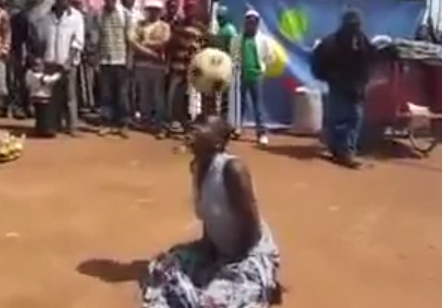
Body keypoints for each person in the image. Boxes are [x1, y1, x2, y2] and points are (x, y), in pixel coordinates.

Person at [140, 114, 281, 308]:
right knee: (162, 267)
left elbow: (252, 229)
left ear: (217, 143)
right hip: (219, 251)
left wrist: (228, 263)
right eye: (194, 125)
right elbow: (209, 219)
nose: (194, 130)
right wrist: (207, 250)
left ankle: (259, 285)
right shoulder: (197, 168)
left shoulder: (233, 169)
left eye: (202, 127)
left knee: (212, 302)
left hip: (247, 255)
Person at [311, 9, 374, 168]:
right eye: (352, 25)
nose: (355, 28)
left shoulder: (362, 41)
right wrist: (330, 77)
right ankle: (337, 149)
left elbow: (368, 62)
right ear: (345, 25)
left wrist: (362, 84)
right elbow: (318, 62)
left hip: (356, 87)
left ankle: (346, 151)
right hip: (338, 85)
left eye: (357, 25)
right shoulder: (331, 43)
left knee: (355, 118)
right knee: (336, 119)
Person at [37, 0, 85, 137]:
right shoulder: (46, 17)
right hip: (50, 62)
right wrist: (41, 59)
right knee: (52, 96)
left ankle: (72, 127)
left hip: (67, 63)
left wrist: (69, 60)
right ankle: (53, 125)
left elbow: (78, 42)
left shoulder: (76, 17)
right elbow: (41, 39)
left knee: (70, 96)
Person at [230, 10, 274, 146]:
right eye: (248, 22)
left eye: (253, 22)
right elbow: (234, 54)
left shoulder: (264, 40)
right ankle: (237, 128)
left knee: (258, 106)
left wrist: (262, 69)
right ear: (245, 23)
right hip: (241, 75)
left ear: (257, 24)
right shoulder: (237, 39)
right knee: (239, 104)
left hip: (256, 76)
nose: (251, 25)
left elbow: (270, 57)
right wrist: (237, 67)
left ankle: (261, 133)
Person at [128, 0, 170, 138]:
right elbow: (133, 42)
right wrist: (151, 52)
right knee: (144, 96)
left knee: (158, 97)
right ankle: (146, 121)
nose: (153, 12)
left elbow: (164, 42)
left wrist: (145, 44)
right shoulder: (139, 25)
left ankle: (159, 124)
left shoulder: (164, 26)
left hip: (157, 67)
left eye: (155, 9)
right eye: (150, 9)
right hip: (142, 65)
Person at [167, 0, 206, 135]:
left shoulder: (201, 28)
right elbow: (171, 46)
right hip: (177, 66)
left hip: (193, 68)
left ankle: (190, 123)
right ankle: (175, 121)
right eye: (187, 8)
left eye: (192, 8)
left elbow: (202, 49)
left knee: (191, 98)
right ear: (184, 9)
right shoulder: (177, 26)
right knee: (175, 95)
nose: (190, 11)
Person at [95, 0, 133, 138]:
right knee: (106, 94)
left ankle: (123, 123)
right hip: (105, 60)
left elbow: (130, 40)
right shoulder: (99, 14)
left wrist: (129, 60)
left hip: (121, 60)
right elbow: (98, 38)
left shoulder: (125, 14)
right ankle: (106, 123)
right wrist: (97, 60)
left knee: (122, 94)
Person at [26, 57, 61, 137]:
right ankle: (44, 130)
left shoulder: (29, 73)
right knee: (43, 115)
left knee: (40, 116)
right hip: (41, 98)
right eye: (37, 65)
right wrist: (59, 74)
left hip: (36, 97)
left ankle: (40, 129)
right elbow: (47, 80)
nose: (40, 67)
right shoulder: (34, 75)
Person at [0, 0, 10, 118]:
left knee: (1, 85)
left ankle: (4, 106)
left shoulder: (3, 15)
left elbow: (7, 33)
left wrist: (5, 49)